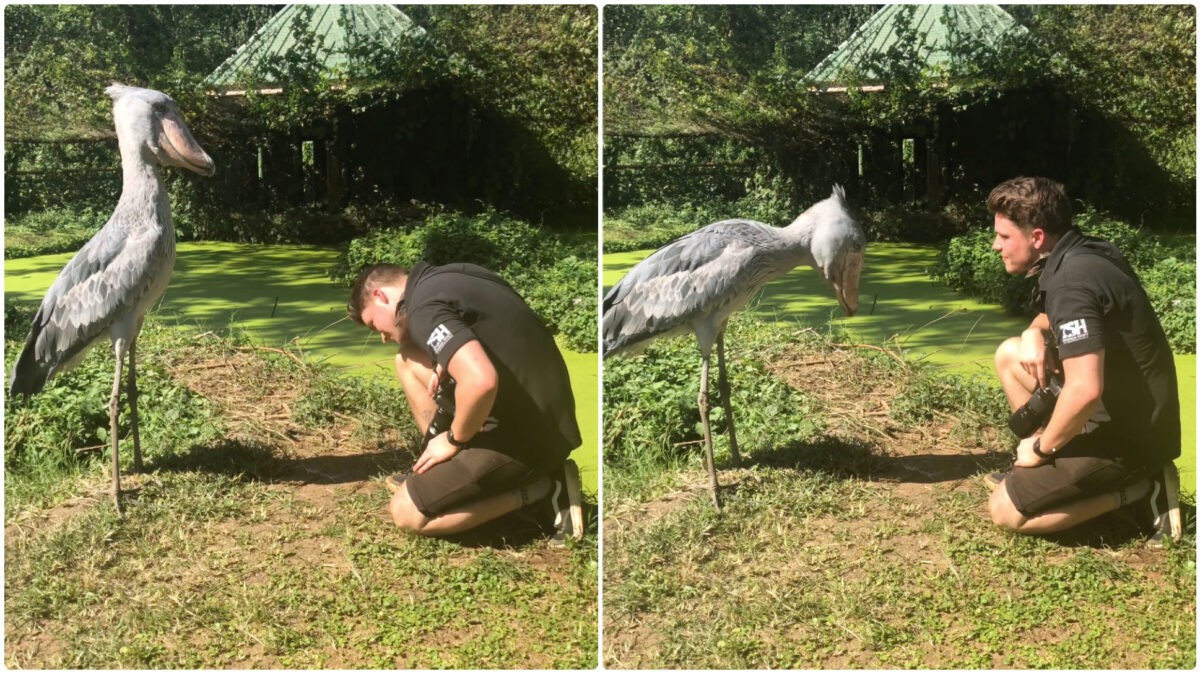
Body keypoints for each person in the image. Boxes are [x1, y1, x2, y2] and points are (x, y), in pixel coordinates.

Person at [985, 176, 1182, 542]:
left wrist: (1041, 450)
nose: (996, 245)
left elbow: (1085, 388)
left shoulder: (1071, 283)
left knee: (1005, 510)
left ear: (1037, 237)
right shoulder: (1086, 252)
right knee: (1012, 355)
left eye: (1004, 236)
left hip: (1129, 436)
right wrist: (1033, 332)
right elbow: (1066, 315)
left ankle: (1138, 490)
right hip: (1129, 410)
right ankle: (1055, 465)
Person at [348, 261, 585, 540]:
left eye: (375, 325)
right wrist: (446, 360)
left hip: (523, 443)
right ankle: (441, 467)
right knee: (407, 359)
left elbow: (481, 381)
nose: (384, 337)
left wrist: (454, 440)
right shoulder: (453, 274)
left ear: (380, 296)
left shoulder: (422, 308)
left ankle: (542, 488)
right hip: (548, 420)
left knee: (406, 513)